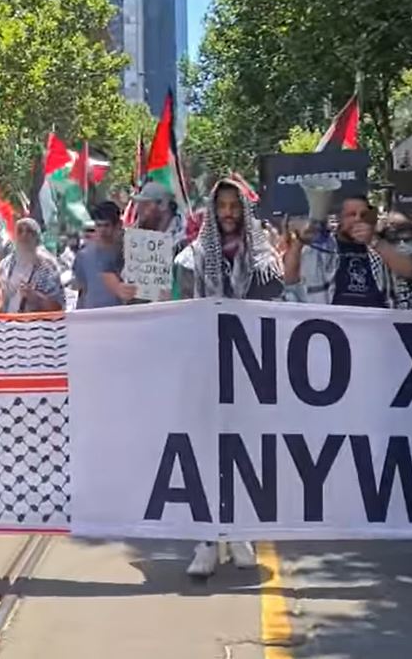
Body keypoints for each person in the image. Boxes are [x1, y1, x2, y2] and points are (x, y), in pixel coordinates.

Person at [175, 178, 284, 579]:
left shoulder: (264, 259)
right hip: (205, 368)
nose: (228, 214)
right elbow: (180, 309)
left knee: (244, 453)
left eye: (234, 207)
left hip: (250, 369)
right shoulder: (192, 259)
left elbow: (278, 301)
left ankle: (240, 533)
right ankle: (205, 540)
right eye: (221, 206)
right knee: (205, 452)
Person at [281, 195, 412, 307]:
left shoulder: (379, 251)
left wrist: (374, 241)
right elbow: (292, 281)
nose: (358, 219)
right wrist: (299, 242)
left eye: (363, 215)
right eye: (351, 214)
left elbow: (410, 272)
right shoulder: (321, 251)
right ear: (340, 219)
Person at [0, 217, 65, 313]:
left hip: (36, 325)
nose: (24, 235)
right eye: (20, 231)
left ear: (36, 237)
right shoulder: (6, 265)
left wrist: (34, 296)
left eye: (29, 231)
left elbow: (57, 306)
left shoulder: (47, 265)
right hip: (8, 324)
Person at [72, 201, 130, 309]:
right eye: (99, 225)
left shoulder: (130, 253)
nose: (102, 230)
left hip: (123, 316)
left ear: (118, 225)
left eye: (107, 225)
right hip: (94, 317)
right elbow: (82, 290)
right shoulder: (84, 255)